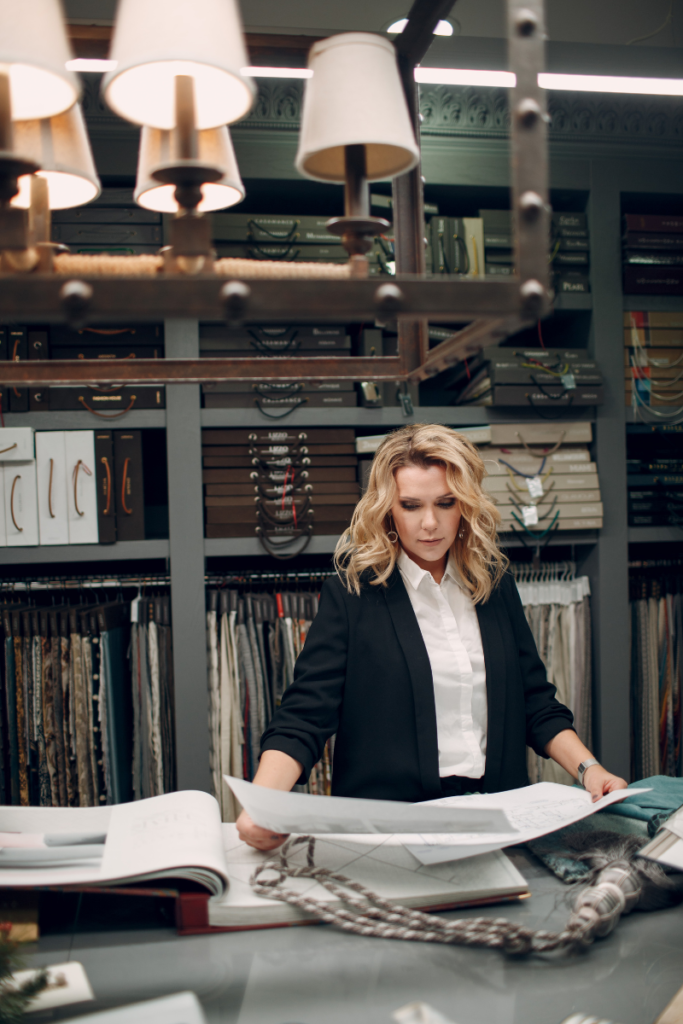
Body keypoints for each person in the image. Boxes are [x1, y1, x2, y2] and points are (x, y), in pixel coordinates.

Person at [237, 424, 627, 850]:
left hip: (501, 821)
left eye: (445, 503)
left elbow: (536, 701)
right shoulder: (353, 595)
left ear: (465, 504)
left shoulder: (494, 586)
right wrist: (263, 804)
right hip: (392, 833)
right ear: (387, 509)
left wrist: (590, 770)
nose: (430, 523)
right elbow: (304, 718)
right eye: (410, 505)